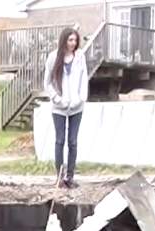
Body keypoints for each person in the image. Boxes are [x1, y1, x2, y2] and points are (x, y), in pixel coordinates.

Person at [44, 27, 89, 188]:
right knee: (60, 140)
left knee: (73, 142)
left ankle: (70, 176)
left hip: (76, 107)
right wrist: (57, 99)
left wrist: (81, 98)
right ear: (64, 40)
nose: (73, 43)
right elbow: (47, 82)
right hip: (59, 108)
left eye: (75, 40)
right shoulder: (53, 57)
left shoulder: (80, 57)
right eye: (70, 40)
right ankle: (59, 176)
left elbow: (84, 78)